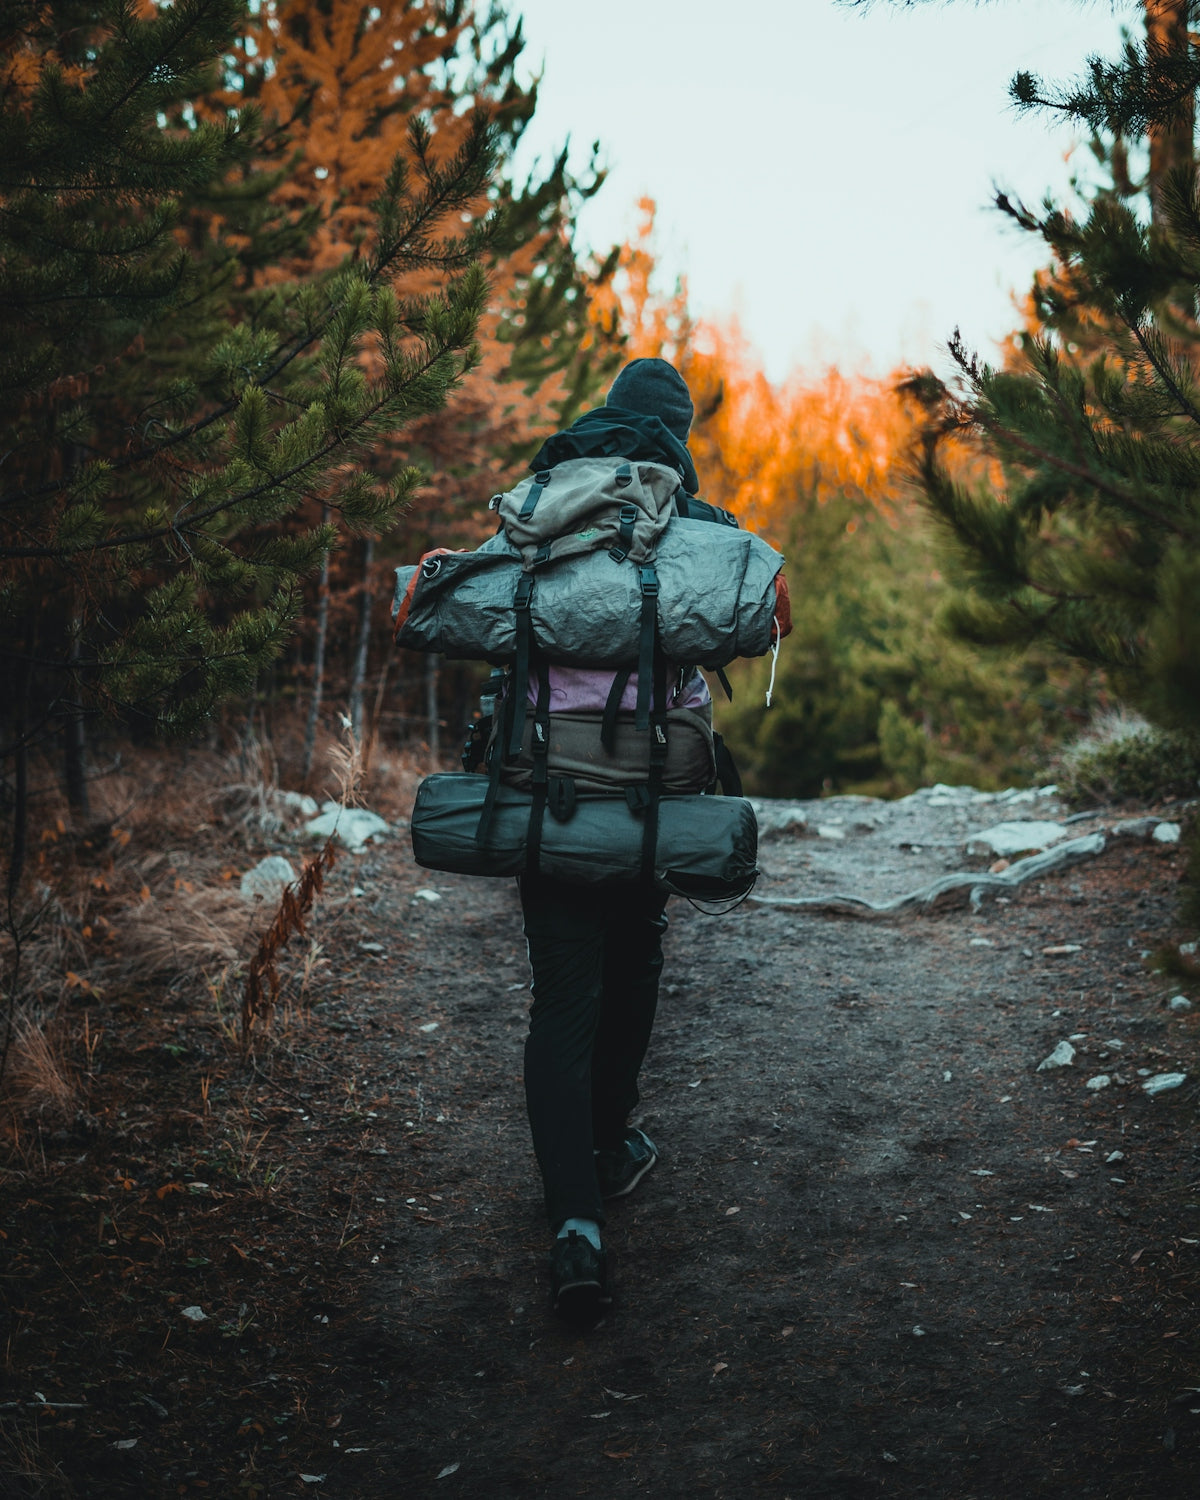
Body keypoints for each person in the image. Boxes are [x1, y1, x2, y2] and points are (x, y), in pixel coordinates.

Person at [513, 358, 714, 1322]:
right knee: (634, 962)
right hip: (644, 792)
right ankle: (609, 1142)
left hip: (542, 782)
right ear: (679, 431)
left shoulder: (544, 494)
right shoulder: (689, 521)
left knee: (562, 998)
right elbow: (735, 628)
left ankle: (574, 1226)